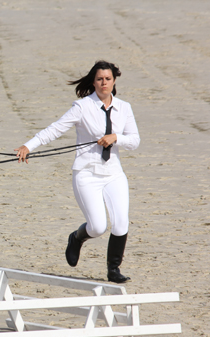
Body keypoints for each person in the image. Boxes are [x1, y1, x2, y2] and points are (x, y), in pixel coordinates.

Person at [14, 60, 140, 283]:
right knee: (98, 226)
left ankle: (113, 270)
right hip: (86, 174)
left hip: (113, 174)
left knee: (121, 223)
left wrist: (116, 138)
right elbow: (55, 129)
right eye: (100, 79)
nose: (104, 83)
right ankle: (76, 238)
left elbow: (135, 141)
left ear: (114, 81)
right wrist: (28, 146)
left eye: (108, 79)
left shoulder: (124, 108)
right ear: (93, 81)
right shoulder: (82, 107)